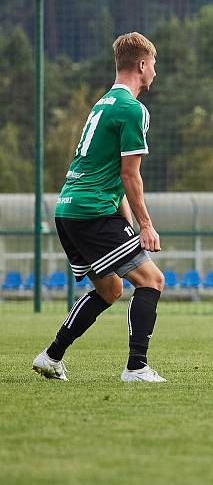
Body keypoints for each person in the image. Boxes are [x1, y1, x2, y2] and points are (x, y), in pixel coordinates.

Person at [32, 32, 166, 383]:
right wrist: (146, 225)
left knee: (110, 289)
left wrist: (127, 226)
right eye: (153, 63)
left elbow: (111, 172)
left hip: (68, 209)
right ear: (141, 64)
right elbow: (129, 175)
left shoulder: (104, 103)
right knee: (152, 280)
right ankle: (137, 367)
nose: (155, 70)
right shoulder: (133, 109)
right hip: (92, 212)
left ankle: (51, 356)